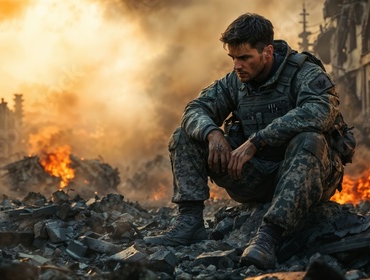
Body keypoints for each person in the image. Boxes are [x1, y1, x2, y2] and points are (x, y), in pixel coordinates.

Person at [143, 13, 345, 270]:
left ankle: (269, 237)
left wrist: (257, 141)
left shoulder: (304, 73)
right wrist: (212, 133)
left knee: (310, 139)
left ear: (267, 52)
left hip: (306, 178)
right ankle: (190, 222)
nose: (237, 65)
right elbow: (194, 110)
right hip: (255, 176)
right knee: (185, 135)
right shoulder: (235, 82)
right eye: (233, 58)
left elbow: (321, 112)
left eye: (244, 58)